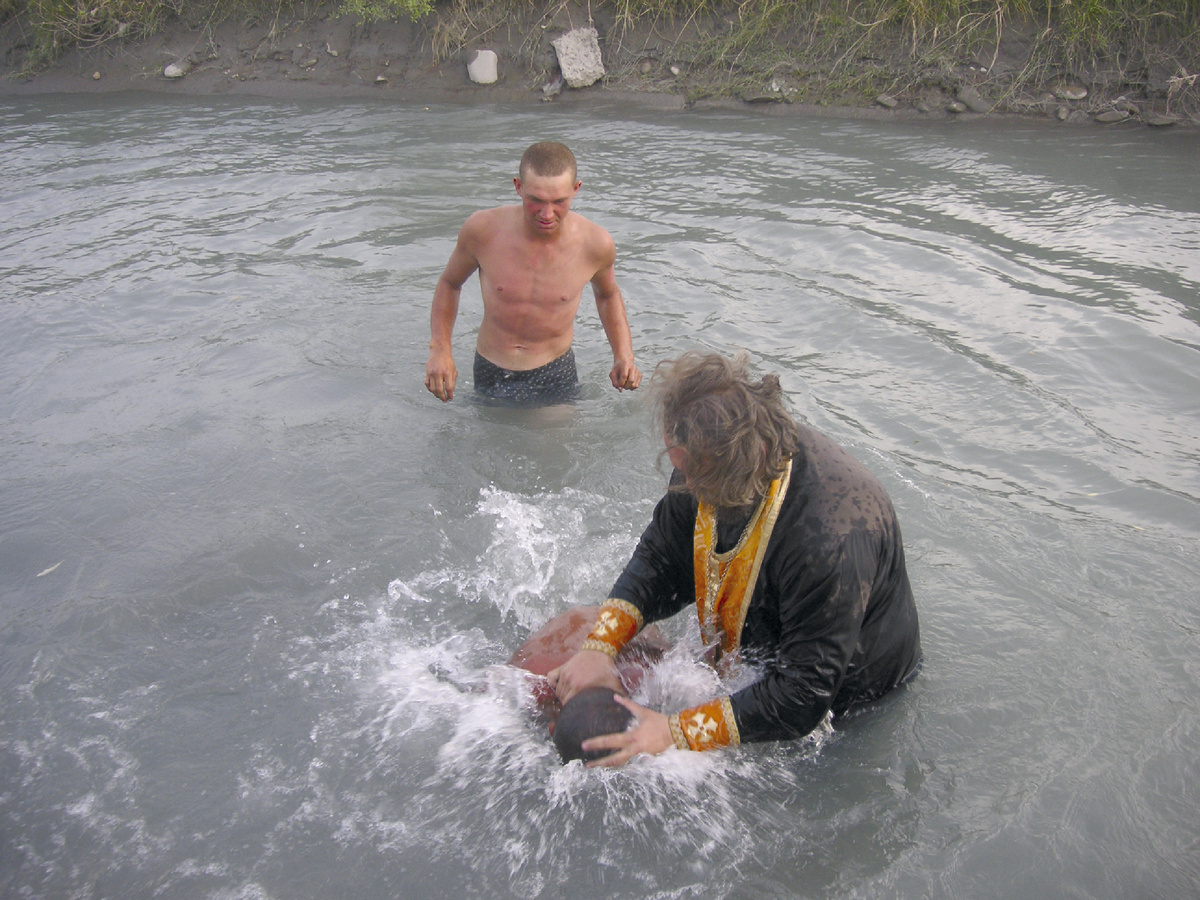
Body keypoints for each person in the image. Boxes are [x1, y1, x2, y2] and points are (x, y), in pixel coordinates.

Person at [547, 351, 922, 767]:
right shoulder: (703, 454)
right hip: (765, 642)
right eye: (679, 465)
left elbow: (804, 695)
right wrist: (600, 646)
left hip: (850, 700)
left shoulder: (832, 535)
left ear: (741, 462)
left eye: (695, 475)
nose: (685, 484)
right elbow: (661, 559)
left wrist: (674, 731)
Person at [424, 141, 642, 405]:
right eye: (535, 200)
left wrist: (623, 355)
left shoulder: (595, 244)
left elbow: (608, 296)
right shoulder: (482, 230)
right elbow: (450, 283)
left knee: (550, 446)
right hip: (489, 367)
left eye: (559, 201)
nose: (547, 214)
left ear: (576, 190)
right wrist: (440, 350)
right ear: (518, 187)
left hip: (553, 371)